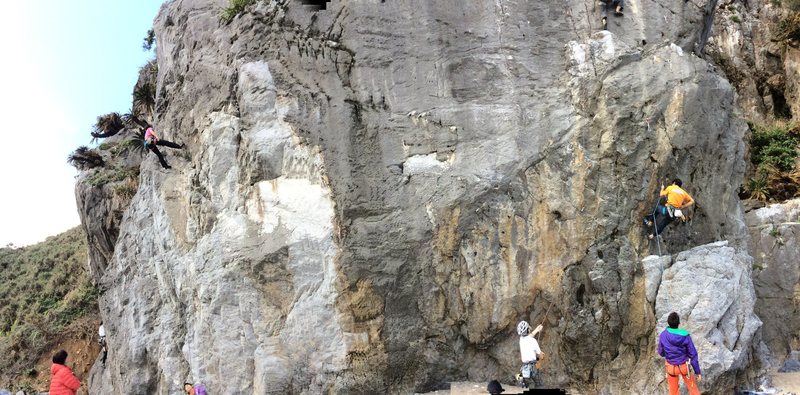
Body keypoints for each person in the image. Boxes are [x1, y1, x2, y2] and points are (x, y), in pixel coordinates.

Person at [658, 312, 701, 395]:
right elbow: (693, 354)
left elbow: (661, 352)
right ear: (679, 323)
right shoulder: (685, 335)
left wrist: (668, 355)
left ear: (668, 322)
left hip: (671, 368)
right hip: (684, 367)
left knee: (673, 392)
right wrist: (697, 372)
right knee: (693, 389)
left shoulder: (663, 335)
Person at [516, 320, 543, 388]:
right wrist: (541, 356)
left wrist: (537, 329)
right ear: (528, 330)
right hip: (532, 368)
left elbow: (529, 336)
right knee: (539, 385)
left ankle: (520, 378)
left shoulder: (521, 339)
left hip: (524, 367)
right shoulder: (533, 341)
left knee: (527, 384)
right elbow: (541, 355)